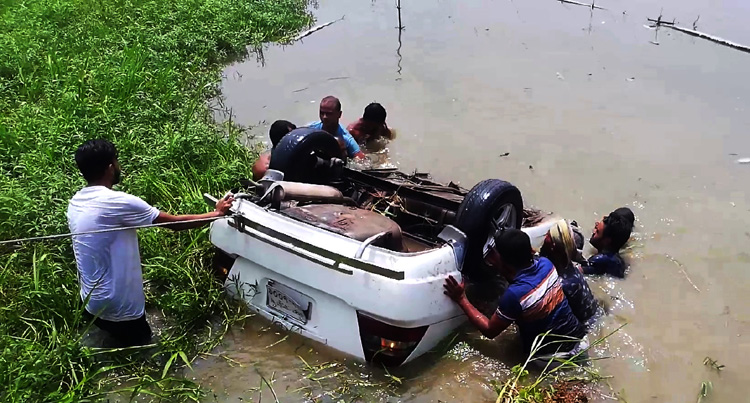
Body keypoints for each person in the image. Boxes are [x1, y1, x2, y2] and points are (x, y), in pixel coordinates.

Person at [67, 139, 235, 347]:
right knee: (145, 355)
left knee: (111, 348)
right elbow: (174, 224)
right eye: (117, 161)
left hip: (91, 303)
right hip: (120, 308)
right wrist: (217, 213)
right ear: (110, 168)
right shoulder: (118, 202)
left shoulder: (76, 201)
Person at [443, 228, 586, 358]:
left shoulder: (515, 295)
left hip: (553, 358)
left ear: (504, 261)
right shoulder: (547, 265)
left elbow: (489, 331)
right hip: (580, 341)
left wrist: (461, 298)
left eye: (495, 253)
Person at [540, 219, 600, 326]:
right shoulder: (569, 267)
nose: (544, 238)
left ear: (553, 247)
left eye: (548, 236)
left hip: (585, 326)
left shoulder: (561, 283)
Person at [580, 208, 634, 278]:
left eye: (597, 231)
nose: (593, 232)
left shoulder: (600, 260)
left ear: (607, 241)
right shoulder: (617, 260)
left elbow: (576, 272)